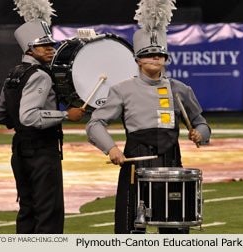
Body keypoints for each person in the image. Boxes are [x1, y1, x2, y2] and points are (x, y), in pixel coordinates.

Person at [86, 23, 211, 233]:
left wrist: (201, 134)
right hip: (136, 163)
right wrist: (111, 148)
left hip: (171, 161)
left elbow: (201, 121)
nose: (155, 59)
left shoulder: (180, 89)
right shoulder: (122, 89)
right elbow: (94, 124)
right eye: (150, 54)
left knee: (175, 227)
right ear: (138, 59)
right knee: (131, 228)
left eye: (160, 55)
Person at [0, 19, 85, 233]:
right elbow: (29, 116)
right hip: (42, 151)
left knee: (27, 210)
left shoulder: (14, 73)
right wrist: (66, 114)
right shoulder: (40, 75)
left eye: (51, 45)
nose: (51, 50)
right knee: (48, 212)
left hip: (19, 150)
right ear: (30, 49)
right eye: (45, 46)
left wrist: (18, 122)